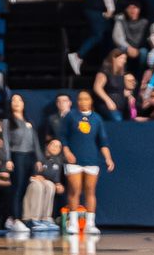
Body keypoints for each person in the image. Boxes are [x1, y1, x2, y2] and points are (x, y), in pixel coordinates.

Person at [60, 90, 114, 235]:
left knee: (90, 191)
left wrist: (108, 158)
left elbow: (103, 141)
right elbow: (63, 137)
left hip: (91, 159)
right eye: (80, 99)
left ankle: (90, 223)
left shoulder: (97, 119)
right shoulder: (70, 116)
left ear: (91, 101)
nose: (83, 101)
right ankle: (73, 223)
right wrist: (67, 152)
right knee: (75, 190)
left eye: (86, 99)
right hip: (74, 160)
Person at [69, 0, 122, 74]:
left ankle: (107, 64)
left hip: (93, 9)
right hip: (96, 9)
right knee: (97, 35)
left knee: (107, 34)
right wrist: (110, 9)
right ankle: (78, 55)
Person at [5, 93, 41, 231]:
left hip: (29, 156)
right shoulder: (8, 122)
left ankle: (13, 217)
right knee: (17, 187)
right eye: (13, 100)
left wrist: (38, 159)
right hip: (17, 155)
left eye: (19, 100)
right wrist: (8, 159)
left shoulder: (29, 121)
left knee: (25, 187)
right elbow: (6, 142)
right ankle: (16, 218)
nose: (17, 103)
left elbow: (35, 141)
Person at [92, 50, 129, 121]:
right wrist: (108, 101)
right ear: (114, 58)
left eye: (125, 59)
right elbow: (97, 88)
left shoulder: (121, 74)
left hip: (120, 107)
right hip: (108, 106)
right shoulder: (105, 72)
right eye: (122, 58)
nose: (124, 61)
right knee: (117, 120)